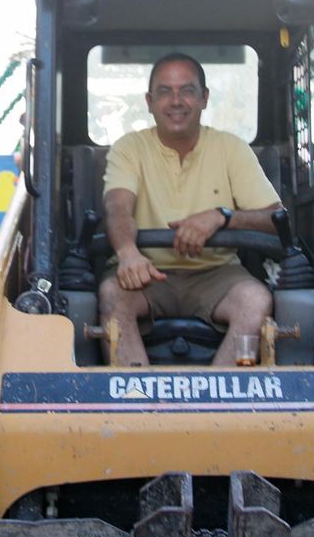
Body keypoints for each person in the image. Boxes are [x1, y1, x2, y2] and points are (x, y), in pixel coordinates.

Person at [98, 53, 281, 367]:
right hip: (146, 274)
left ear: (204, 98)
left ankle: (220, 394)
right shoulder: (129, 149)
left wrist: (222, 217)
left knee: (256, 300)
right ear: (149, 101)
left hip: (217, 274)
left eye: (187, 90)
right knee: (112, 295)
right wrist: (128, 253)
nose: (176, 101)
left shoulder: (231, 148)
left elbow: (276, 219)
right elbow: (117, 207)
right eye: (165, 92)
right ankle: (135, 394)